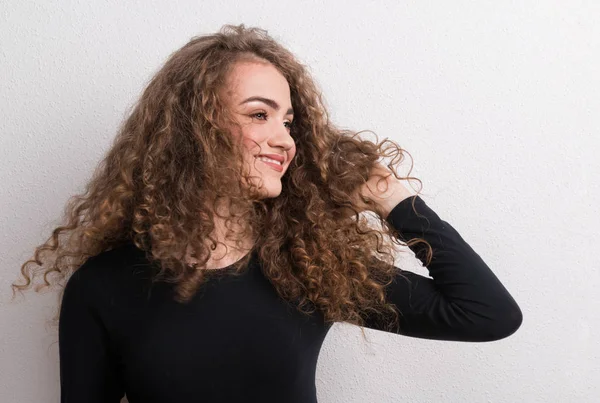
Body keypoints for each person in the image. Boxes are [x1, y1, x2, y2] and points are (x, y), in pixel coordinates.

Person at [12, 24, 522, 403]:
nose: (285, 139)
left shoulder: (307, 266)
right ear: (198, 129)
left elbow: (487, 314)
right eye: (259, 114)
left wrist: (396, 202)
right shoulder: (103, 286)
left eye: (290, 120)